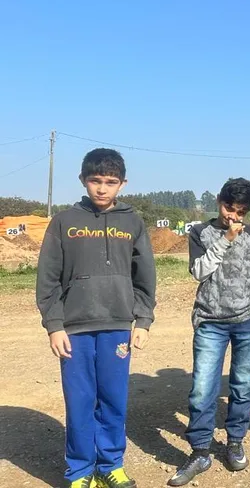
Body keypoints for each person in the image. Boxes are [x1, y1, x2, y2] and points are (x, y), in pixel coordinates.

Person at [36, 148, 156, 488]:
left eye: (110, 182)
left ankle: (110, 465)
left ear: (122, 184)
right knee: (80, 402)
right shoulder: (64, 222)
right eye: (95, 181)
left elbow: (145, 276)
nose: (102, 189)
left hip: (118, 327)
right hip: (74, 329)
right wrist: (54, 326)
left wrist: (143, 320)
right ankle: (79, 471)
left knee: (114, 400)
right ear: (83, 180)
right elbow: (47, 278)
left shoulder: (133, 222)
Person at [169, 178, 250, 487]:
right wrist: (225, 240)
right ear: (219, 201)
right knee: (203, 388)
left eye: (240, 211)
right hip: (210, 321)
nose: (233, 216)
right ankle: (200, 451)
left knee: (243, 385)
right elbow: (199, 271)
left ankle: (235, 441)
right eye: (229, 208)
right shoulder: (200, 233)